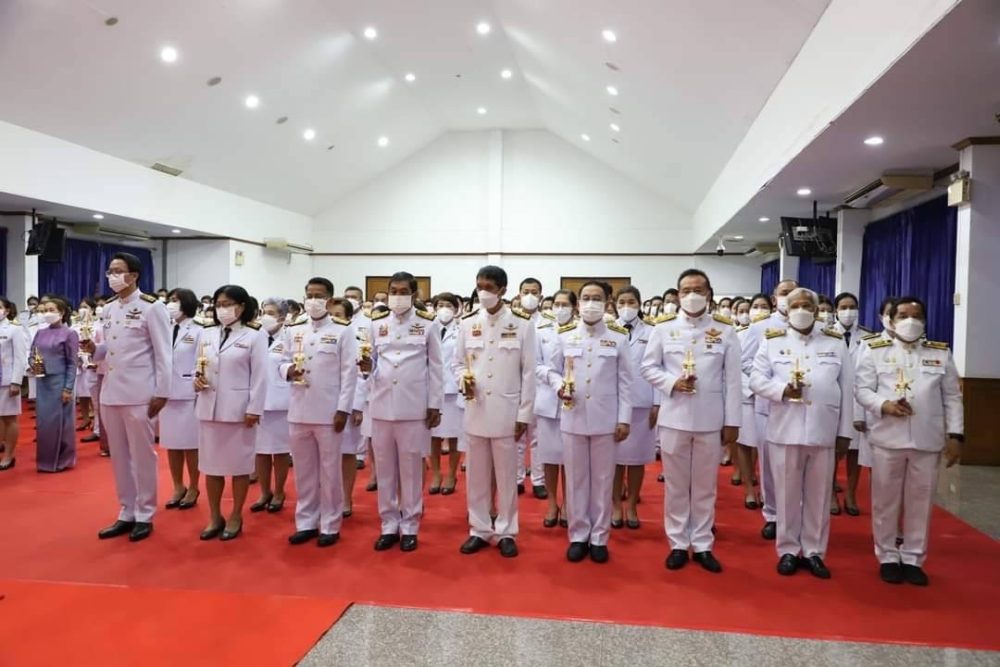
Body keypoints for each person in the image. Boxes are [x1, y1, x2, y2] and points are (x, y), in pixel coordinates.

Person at [855, 296, 962, 586]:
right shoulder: (875, 350)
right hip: (887, 438)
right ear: (891, 320)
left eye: (916, 315)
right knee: (885, 501)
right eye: (903, 315)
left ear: (925, 321)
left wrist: (956, 435)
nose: (910, 321)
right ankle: (887, 556)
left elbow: (952, 397)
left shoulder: (940, 353)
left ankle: (914, 558)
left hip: (927, 440)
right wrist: (883, 405)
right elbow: (862, 390)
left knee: (921, 502)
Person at [641, 269, 740, 573]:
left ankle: (703, 544)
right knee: (676, 485)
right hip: (674, 417)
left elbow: (733, 380)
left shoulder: (725, 330)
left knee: (705, 487)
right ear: (678, 294)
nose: (692, 295)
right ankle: (678, 543)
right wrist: (672, 383)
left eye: (698, 290)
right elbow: (648, 367)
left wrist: (733, 421)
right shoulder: (663, 328)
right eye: (686, 290)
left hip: (711, 419)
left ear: (709, 294)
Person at [750, 288, 853, 579]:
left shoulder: (834, 341)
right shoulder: (773, 341)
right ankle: (787, 550)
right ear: (786, 309)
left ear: (817, 310)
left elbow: (847, 388)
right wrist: (781, 390)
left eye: (807, 305)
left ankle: (814, 552)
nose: (801, 310)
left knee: (819, 496)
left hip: (823, 429)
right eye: (795, 305)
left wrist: (845, 432)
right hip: (785, 428)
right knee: (786, 495)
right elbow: (756, 379)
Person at [538, 281, 631, 564]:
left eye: (597, 298)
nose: (591, 303)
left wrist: (624, 419)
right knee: (576, 478)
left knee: (603, 480)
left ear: (607, 303)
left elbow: (625, 382)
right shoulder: (565, 335)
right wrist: (558, 386)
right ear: (578, 304)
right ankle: (578, 535)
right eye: (586, 298)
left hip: (606, 419)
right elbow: (548, 369)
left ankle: (599, 537)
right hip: (573, 416)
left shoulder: (618, 337)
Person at [88, 253, 172, 542]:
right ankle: (127, 510)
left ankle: (145, 513)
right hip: (111, 391)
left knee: (142, 455)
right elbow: (110, 350)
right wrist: (94, 349)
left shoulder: (152, 307)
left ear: (134, 275)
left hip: (140, 392)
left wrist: (162, 391)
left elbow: (163, 353)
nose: (112, 276)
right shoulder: (109, 308)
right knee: (119, 456)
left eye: (118, 271)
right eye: (110, 271)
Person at [454, 267, 536, 559]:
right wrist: (462, 379)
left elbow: (529, 373)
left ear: (502, 290)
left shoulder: (522, 324)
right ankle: (478, 529)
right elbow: (457, 363)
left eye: (489, 287)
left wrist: (524, 414)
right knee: (476, 476)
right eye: (479, 286)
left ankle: (506, 531)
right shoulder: (467, 323)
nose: (483, 292)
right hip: (476, 409)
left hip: (507, 411)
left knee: (507, 477)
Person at [359, 272, 442, 553]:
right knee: (384, 470)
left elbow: (436, 367)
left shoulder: (428, 324)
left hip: (413, 407)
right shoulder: (376, 323)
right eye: (393, 290)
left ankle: (410, 525)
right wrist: (366, 369)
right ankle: (388, 524)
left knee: (410, 470)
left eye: (403, 291)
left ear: (414, 294)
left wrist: (435, 404)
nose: (397, 296)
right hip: (382, 405)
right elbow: (370, 362)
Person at [282, 279, 358, 547]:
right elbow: (280, 359)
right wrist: (288, 370)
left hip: (329, 412)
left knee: (329, 472)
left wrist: (343, 409)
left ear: (330, 300)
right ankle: (306, 522)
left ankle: (330, 524)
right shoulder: (293, 329)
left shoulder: (342, 330)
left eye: (319, 296)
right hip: (299, 409)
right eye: (309, 295)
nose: (313, 300)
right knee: (304, 472)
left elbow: (349, 373)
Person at [193, 285, 268, 541]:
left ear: (242, 306)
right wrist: (196, 381)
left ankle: (236, 514)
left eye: (227, 304)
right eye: (218, 304)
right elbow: (198, 367)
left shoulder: (254, 335)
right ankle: (215, 516)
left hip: (239, 411)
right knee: (211, 467)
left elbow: (260, 376)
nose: (221, 309)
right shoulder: (206, 333)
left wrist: (254, 408)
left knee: (238, 467)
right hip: (209, 408)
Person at [741, 278, 798, 541]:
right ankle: (773, 515)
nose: (789, 297)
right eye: (784, 293)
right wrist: (774, 386)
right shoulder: (760, 327)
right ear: (775, 299)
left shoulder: (818, 328)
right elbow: (745, 363)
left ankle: (797, 515)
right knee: (770, 463)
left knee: (799, 466)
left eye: (793, 292)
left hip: (804, 408)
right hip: (769, 405)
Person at [611, 286, 658, 530]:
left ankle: (631, 504)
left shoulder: (652, 330)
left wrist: (658, 402)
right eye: (622, 302)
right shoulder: (608, 329)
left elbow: (659, 367)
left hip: (642, 402)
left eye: (631, 302)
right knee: (616, 460)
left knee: (637, 459)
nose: (626, 306)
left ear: (639, 304)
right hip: (614, 403)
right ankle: (616, 505)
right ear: (615, 304)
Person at [534, 289, 575, 527]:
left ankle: (569, 503)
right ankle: (552, 503)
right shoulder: (541, 331)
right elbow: (535, 364)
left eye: (564, 304)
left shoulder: (581, 331)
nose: (559, 309)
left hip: (575, 402)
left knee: (571, 458)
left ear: (574, 307)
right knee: (549, 457)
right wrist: (554, 380)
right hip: (548, 400)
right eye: (556, 304)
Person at [829, 291, 872, 516]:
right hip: (834, 401)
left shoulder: (868, 337)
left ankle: (851, 495)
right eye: (843, 307)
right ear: (836, 311)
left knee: (856, 452)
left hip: (858, 402)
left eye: (852, 307)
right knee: (833, 451)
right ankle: (831, 493)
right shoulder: (826, 335)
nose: (848, 311)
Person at [161, 288, 204, 510]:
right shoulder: (165, 328)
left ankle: (194, 486)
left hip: (189, 392)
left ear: (186, 303)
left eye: (175, 300)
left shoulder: (199, 330)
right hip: (166, 393)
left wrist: (197, 382)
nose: (171, 304)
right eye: (170, 300)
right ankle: (178, 486)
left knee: (190, 444)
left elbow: (202, 360)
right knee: (172, 444)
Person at [251, 297, 292, 514]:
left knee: (280, 451)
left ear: (282, 317)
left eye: (271, 313)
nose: (265, 316)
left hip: (280, 402)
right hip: (257, 401)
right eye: (263, 312)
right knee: (261, 451)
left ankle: (279, 491)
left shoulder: (290, 337)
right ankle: (264, 491)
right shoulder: (255, 335)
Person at [32, 297, 79, 472]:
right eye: (45, 310)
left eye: (51, 310)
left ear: (62, 312)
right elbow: (33, 353)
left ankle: (63, 460)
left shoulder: (69, 333)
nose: (47, 313)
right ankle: (45, 460)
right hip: (43, 381)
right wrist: (34, 364)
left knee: (61, 422)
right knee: (44, 423)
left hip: (60, 382)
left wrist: (68, 388)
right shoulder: (40, 333)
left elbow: (72, 363)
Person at [734, 294, 771, 508]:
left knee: (764, 446)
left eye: (763, 306)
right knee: (746, 443)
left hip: (771, 396)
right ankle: (749, 488)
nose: (759, 310)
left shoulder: (777, 332)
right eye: (755, 306)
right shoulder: (740, 334)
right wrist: (753, 388)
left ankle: (767, 490)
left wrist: (766, 387)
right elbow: (737, 365)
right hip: (747, 394)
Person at [514, 277, 547, 499]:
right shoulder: (511, 320)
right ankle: (516, 478)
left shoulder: (549, 323)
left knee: (538, 437)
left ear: (541, 296)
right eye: (526, 291)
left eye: (534, 292)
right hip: (514, 385)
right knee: (516, 434)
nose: (529, 296)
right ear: (518, 294)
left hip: (541, 386)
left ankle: (538, 480)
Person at [429, 293, 462, 495]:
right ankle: (435, 474)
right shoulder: (427, 327)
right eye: (440, 305)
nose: (444, 309)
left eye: (448, 305)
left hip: (453, 389)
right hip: (430, 388)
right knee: (432, 435)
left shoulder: (462, 330)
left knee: (454, 434)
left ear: (456, 309)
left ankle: (451, 474)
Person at [0, 297, 27, 470]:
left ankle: (9, 455)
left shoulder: (14, 329)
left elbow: (20, 357)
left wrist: (16, 381)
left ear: (7, 310)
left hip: (6, 380)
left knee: (9, 418)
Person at [73, 298, 99, 434]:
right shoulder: (75, 326)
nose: (82, 310)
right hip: (79, 364)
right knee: (82, 393)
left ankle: (96, 421)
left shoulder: (97, 325)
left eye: (86, 307)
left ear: (92, 309)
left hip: (94, 364)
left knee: (94, 396)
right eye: (81, 307)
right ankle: (85, 418)